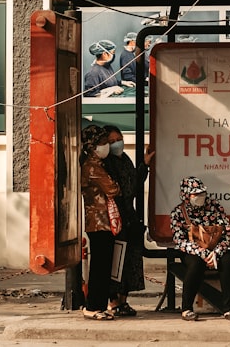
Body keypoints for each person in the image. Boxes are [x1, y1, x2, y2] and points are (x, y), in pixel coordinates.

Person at [170, 177, 230, 322]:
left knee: (227, 261)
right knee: (196, 264)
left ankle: (229, 309)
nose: (200, 197)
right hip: (192, 251)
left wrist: (216, 252)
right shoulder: (178, 212)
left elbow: (227, 232)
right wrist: (202, 253)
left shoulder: (215, 208)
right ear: (186, 195)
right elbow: (179, 240)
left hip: (215, 248)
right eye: (195, 194)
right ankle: (187, 308)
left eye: (202, 193)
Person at [102, 125, 154, 317]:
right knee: (116, 260)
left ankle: (124, 300)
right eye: (112, 140)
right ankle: (113, 302)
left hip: (130, 218)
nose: (117, 143)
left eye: (119, 138)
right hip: (114, 219)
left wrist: (145, 164)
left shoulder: (124, 160)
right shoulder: (105, 164)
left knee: (130, 260)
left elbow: (134, 182)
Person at [80, 125, 120, 320]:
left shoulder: (98, 165)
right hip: (98, 222)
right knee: (99, 267)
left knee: (104, 266)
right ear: (92, 146)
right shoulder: (92, 167)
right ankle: (93, 306)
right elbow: (113, 189)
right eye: (103, 143)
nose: (106, 146)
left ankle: (99, 305)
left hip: (103, 222)